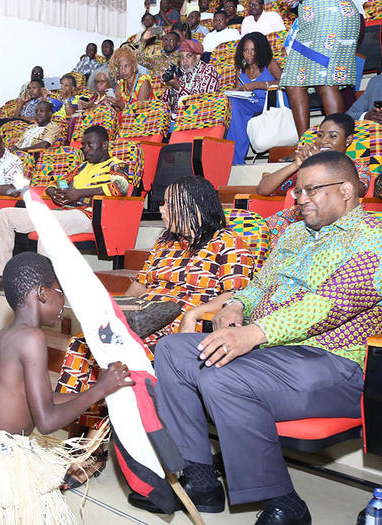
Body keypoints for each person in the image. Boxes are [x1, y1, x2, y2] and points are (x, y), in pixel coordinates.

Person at [146, 151, 378, 524]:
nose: (299, 199)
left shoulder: (372, 241)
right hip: (271, 352)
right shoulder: (296, 233)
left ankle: (284, 503)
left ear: (347, 190)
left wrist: (253, 333)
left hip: (331, 363)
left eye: (311, 190)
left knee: (222, 374)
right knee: (173, 350)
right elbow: (259, 285)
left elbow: (325, 306)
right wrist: (237, 305)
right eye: (298, 191)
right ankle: (201, 478)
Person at [57, 176, 255, 489]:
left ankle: (92, 449)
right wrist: (112, 307)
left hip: (186, 327)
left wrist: (194, 312)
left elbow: (236, 298)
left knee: (125, 360)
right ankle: (79, 433)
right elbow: (140, 286)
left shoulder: (229, 244)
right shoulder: (165, 242)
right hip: (144, 319)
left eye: (168, 203)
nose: (160, 208)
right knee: (84, 344)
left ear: (194, 207)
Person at [0, 252, 133, 525]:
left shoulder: (6, 335)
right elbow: (45, 422)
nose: (63, 300)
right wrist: (98, 390)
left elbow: (40, 400)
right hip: (2, 459)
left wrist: (91, 393)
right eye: (60, 291)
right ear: (42, 293)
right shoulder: (32, 339)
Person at [0, 126, 131, 292]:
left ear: (105, 145)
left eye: (90, 145)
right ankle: (0, 276)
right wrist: (54, 193)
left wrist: (78, 193)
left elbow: (120, 187)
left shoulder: (116, 164)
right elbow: (53, 183)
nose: (85, 149)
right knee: (6, 214)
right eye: (83, 145)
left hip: (91, 215)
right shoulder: (81, 167)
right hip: (65, 214)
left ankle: (46, 286)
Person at [257, 113, 371, 242]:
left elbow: (358, 190)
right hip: (294, 221)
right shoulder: (306, 166)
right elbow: (263, 190)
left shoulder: (357, 166)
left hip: (328, 224)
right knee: (254, 231)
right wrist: (296, 165)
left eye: (333, 136)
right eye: (320, 135)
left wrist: (322, 165)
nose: (324, 141)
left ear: (348, 140)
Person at [280, 0, 362, 137]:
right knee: (293, 82)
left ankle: (335, 145)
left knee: (324, 81)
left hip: (330, 13)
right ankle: (304, 145)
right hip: (308, 18)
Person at [227, 32, 283, 164]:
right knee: (232, 103)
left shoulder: (269, 63)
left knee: (236, 109)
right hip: (249, 102)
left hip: (268, 102)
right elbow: (241, 90)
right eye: (246, 50)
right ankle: (234, 161)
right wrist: (233, 91)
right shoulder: (241, 68)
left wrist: (257, 85)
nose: (249, 54)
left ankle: (235, 160)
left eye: (253, 50)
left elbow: (283, 82)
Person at [161, 39, 220, 113]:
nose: (184, 60)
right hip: (176, 119)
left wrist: (179, 87)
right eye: (181, 57)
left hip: (200, 118)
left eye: (188, 56)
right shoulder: (180, 72)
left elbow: (202, 105)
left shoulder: (208, 70)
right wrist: (169, 87)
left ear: (197, 57)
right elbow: (164, 104)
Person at [106, 46, 154, 112]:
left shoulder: (143, 82)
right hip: (126, 120)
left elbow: (140, 111)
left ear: (133, 66)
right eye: (120, 67)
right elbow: (118, 111)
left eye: (126, 66)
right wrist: (111, 105)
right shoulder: (120, 84)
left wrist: (122, 105)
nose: (123, 71)